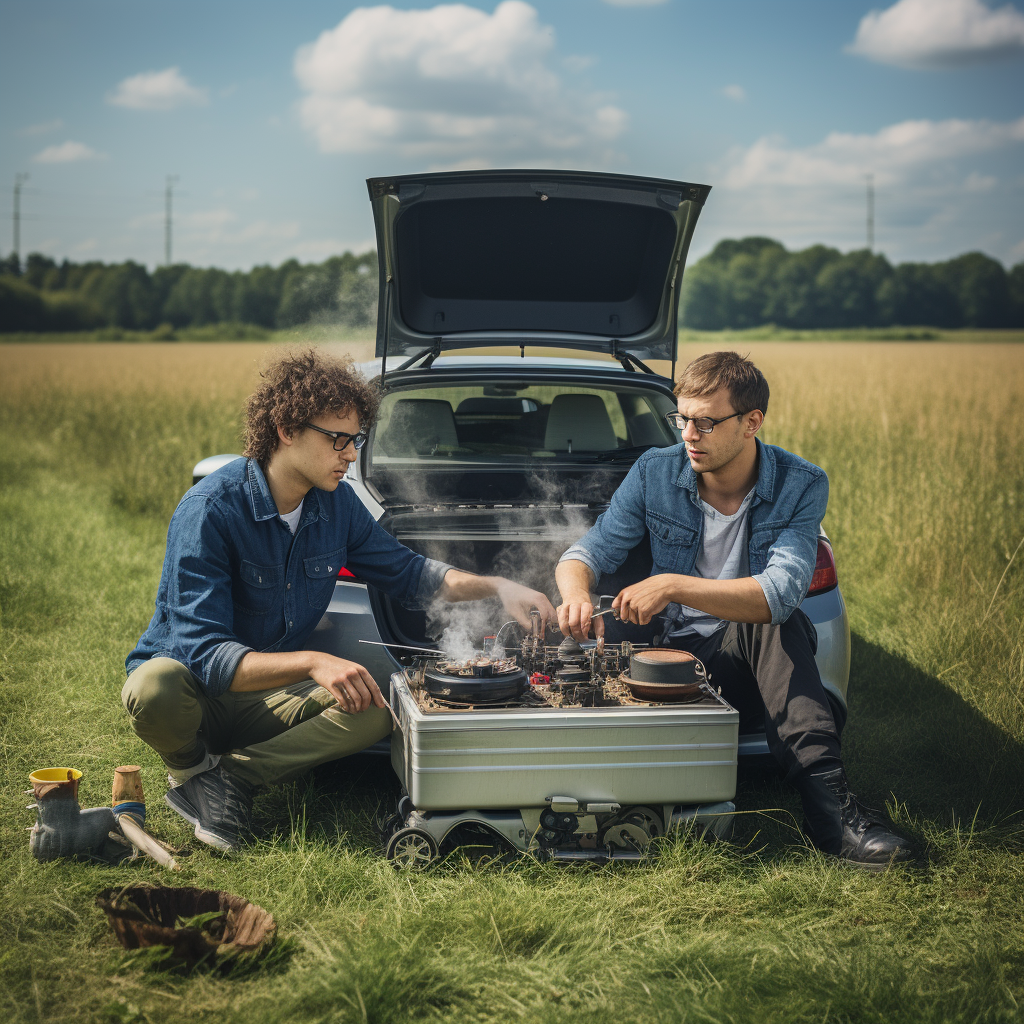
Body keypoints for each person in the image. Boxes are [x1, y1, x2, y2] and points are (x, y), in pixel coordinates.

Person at [123, 348, 555, 853]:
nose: (351, 455)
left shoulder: (337, 504)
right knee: (153, 686)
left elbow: (412, 573)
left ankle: (230, 782)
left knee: (375, 706)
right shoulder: (210, 510)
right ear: (286, 429)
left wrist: (500, 586)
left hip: (266, 700)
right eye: (338, 440)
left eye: (356, 440)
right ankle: (191, 768)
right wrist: (313, 661)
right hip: (196, 698)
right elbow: (205, 655)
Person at [555, 351, 913, 869]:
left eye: (706, 422)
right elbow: (586, 552)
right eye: (682, 419)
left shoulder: (801, 484)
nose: (689, 435)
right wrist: (576, 594)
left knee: (776, 623)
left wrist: (674, 585)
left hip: (736, 665)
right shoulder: (655, 472)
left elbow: (779, 593)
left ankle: (833, 815)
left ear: (752, 422)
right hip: (656, 662)